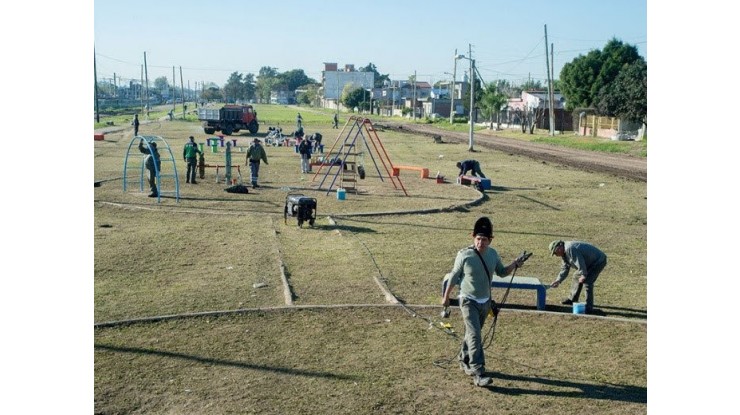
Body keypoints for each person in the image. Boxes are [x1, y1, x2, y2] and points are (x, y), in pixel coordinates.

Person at [441, 217, 526, 387]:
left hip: (485, 302)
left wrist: (514, 264)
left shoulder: (493, 254)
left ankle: (463, 358)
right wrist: (446, 298)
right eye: (478, 239)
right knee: (475, 335)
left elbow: (502, 272)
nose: (481, 242)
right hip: (467, 301)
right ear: (473, 237)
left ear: (490, 240)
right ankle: (478, 372)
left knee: (473, 334)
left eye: (484, 239)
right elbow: (454, 276)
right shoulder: (464, 255)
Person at [548, 240, 608, 314]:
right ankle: (572, 299)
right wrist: (558, 280)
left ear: (559, 247)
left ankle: (589, 307)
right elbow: (565, 268)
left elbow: (580, 262)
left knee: (587, 282)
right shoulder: (564, 253)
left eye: (555, 252)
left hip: (598, 261)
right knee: (576, 276)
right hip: (588, 263)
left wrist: (583, 275)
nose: (556, 255)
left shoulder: (570, 248)